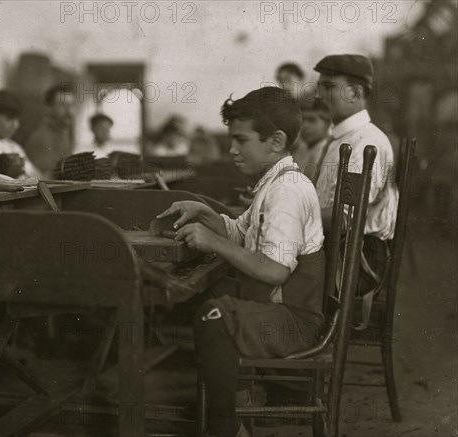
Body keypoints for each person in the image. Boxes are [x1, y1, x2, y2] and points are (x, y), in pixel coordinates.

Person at [157, 87, 325, 437]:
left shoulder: (288, 191)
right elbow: (239, 232)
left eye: (241, 140)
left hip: (294, 321)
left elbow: (275, 269)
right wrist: (205, 213)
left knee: (213, 316)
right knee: (213, 293)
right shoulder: (274, 181)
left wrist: (213, 242)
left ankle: (228, 426)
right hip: (276, 306)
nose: (232, 150)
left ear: (275, 140)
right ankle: (236, 397)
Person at [314, 54, 398, 301]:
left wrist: (288, 209)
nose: (319, 96)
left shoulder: (365, 143)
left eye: (328, 87)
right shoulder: (342, 138)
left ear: (354, 92)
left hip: (356, 261)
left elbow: (343, 219)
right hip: (337, 250)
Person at [25, 84, 76, 177]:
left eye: (71, 105)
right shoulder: (40, 136)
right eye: (63, 105)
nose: (70, 112)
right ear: (49, 108)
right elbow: (45, 178)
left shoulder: (65, 130)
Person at [293, 98, 332, 182]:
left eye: (312, 120)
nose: (305, 126)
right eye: (302, 120)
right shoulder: (299, 150)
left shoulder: (329, 151)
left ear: (328, 123)